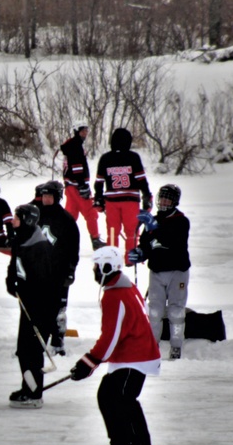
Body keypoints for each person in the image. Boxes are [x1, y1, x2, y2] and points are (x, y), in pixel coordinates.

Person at [70, 246, 161, 445]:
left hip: (136, 356)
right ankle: (120, 442)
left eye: (95, 266)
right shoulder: (125, 286)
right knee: (107, 394)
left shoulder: (115, 295)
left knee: (124, 398)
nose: (93, 270)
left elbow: (110, 338)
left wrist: (88, 363)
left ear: (106, 267)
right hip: (131, 355)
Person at [128, 184, 191, 360]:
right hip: (156, 271)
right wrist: (139, 254)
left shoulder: (181, 221)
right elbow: (147, 245)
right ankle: (152, 344)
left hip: (177, 271)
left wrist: (153, 227)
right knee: (154, 310)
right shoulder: (153, 221)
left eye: (167, 199)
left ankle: (176, 345)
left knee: (176, 310)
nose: (163, 202)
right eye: (161, 198)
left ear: (174, 202)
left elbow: (172, 241)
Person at [6, 203, 55, 408]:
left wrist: (24, 290)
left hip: (40, 308)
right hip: (27, 305)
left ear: (27, 220)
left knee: (31, 350)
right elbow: (15, 268)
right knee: (23, 349)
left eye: (17, 217)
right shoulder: (21, 240)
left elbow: (43, 283)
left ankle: (35, 394)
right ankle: (28, 387)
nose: (13, 220)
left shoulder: (39, 247)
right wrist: (11, 282)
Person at [30, 180, 80, 356]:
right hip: (37, 272)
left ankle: (58, 342)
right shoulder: (34, 216)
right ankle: (35, 342)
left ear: (57, 197)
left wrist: (71, 270)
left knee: (58, 310)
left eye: (49, 196)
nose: (46, 199)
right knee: (36, 308)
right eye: (43, 196)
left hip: (58, 273)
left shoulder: (66, 219)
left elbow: (74, 248)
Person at [93, 127, 152, 261]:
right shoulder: (133, 157)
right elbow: (141, 180)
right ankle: (130, 258)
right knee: (131, 231)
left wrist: (98, 199)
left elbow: (99, 182)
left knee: (113, 231)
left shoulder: (105, 158)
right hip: (130, 200)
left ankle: (111, 259)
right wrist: (147, 196)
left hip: (112, 201)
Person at [58, 121, 105, 250]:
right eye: (82, 131)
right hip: (77, 186)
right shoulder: (75, 146)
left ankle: (62, 239)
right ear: (76, 131)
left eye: (86, 130)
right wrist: (82, 185)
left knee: (70, 215)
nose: (85, 133)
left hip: (70, 186)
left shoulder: (72, 145)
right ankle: (95, 240)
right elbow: (77, 168)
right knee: (91, 213)